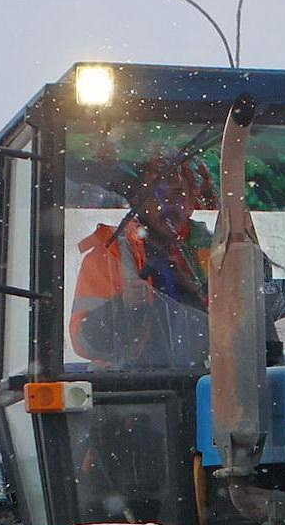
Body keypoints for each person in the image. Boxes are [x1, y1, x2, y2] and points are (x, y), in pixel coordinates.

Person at [69, 152, 216, 371]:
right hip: (135, 388)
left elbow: (242, 323)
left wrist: (198, 292)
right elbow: (84, 343)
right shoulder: (108, 256)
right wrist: (122, 307)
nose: (169, 206)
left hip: (212, 380)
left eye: (178, 195)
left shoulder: (218, 251)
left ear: (191, 202)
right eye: (158, 195)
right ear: (137, 200)